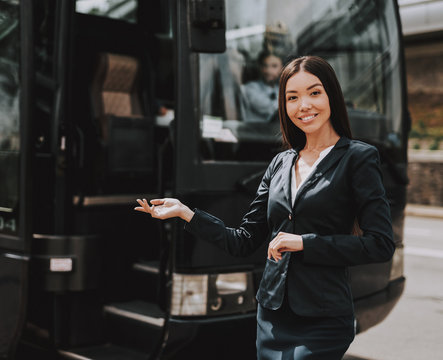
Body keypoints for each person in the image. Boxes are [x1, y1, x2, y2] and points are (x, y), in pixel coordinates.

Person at [135, 56, 395, 359]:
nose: (304, 105)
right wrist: (186, 213)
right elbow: (243, 240)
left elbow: (380, 244)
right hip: (272, 316)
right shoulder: (280, 163)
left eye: (314, 93)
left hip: (323, 319)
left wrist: (303, 243)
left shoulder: (358, 158)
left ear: (331, 96)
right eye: (292, 97)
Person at [241, 51, 283, 122]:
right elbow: (271, 108)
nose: (268, 71)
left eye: (274, 66)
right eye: (265, 66)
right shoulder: (250, 88)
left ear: (281, 68)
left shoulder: (280, 89)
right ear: (260, 68)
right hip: (256, 131)